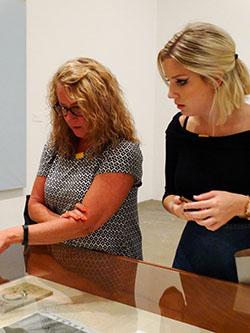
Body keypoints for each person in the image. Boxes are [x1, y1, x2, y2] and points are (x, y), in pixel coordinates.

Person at [0, 57, 143, 260]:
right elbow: (34, 204)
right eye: (62, 108)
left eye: (77, 108)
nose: (69, 117)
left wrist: (13, 235)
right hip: (58, 261)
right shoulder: (57, 144)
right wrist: (63, 223)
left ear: (102, 105)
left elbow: (86, 224)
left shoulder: (122, 152)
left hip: (109, 266)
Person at [157, 22, 250, 282]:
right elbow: (169, 193)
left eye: (181, 82)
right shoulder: (180, 128)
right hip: (195, 255)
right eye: (169, 81)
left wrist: (243, 205)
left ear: (216, 78)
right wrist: (174, 205)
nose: (170, 93)